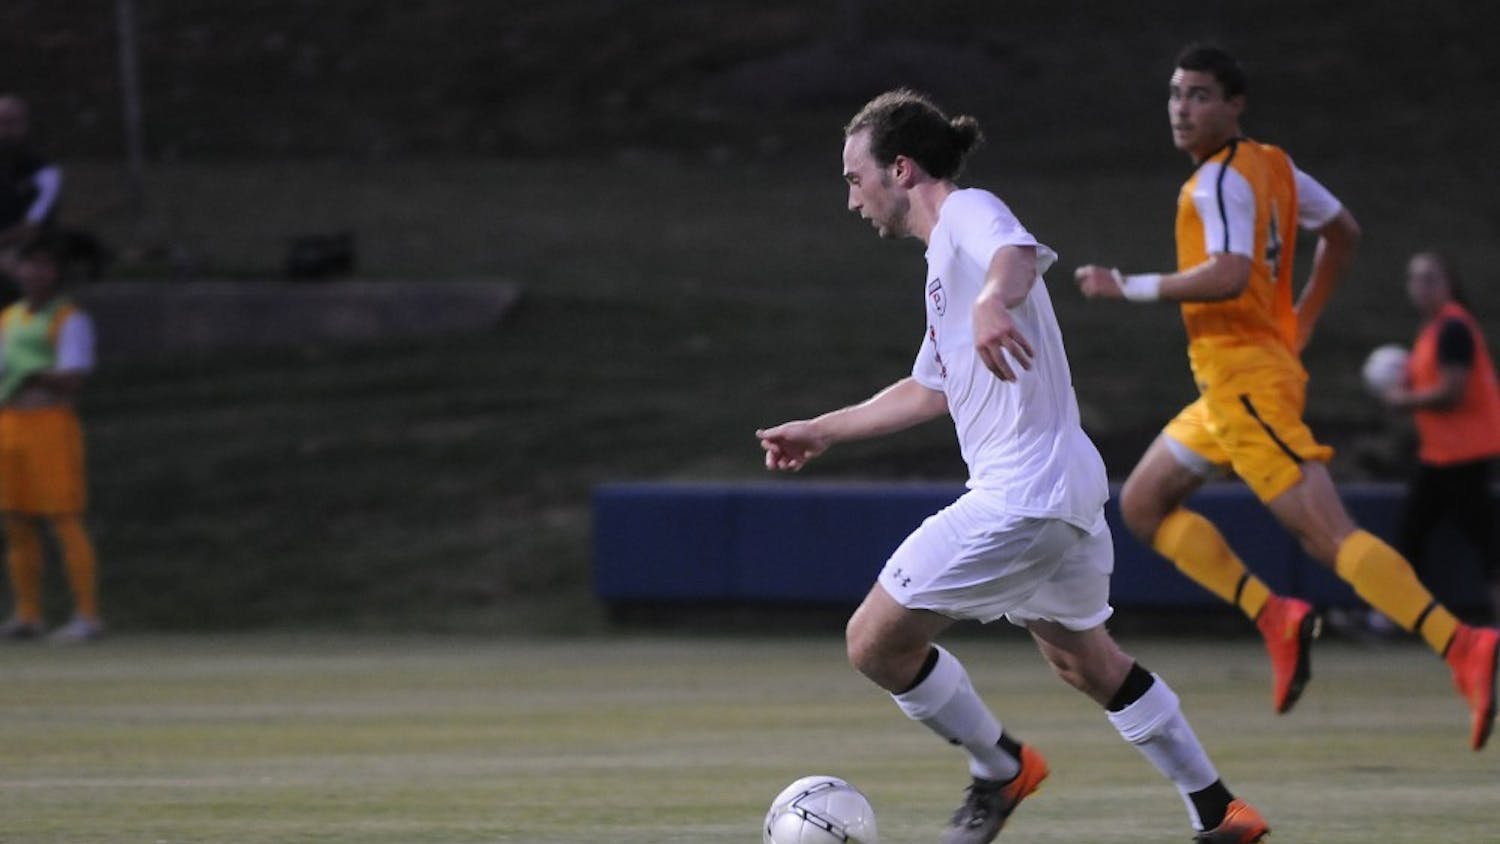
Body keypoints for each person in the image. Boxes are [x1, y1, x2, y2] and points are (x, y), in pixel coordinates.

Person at [758, 89, 1269, 844]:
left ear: (901, 169)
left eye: (854, 178)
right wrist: (823, 430)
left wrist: (994, 301)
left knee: (874, 641)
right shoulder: (943, 265)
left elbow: (1016, 256)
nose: (852, 200)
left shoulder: (966, 214)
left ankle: (1001, 767)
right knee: (1087, 662)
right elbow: (930, 388)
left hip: (1021, 493)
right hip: (1063, 485)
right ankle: (1220, 810)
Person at [1073, 44, 1498, 750]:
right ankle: (1277, 617)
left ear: (1235, 105)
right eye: (1176, 93)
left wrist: (1128, 286)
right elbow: (1343, 233)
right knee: (1144, 504)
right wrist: (1302, 320)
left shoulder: (1215, 181)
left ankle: (1463, 646)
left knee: (1329, 537)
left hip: (1244, 385)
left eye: (1200, 95)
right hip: (1231, 388)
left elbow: (1230, 274)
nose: (1182, 108)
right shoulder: (1273, 166)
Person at [1379, 252, 1500, 624]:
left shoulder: (1453, 328)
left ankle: (1393, 615)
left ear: (1449, 283)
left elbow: (1452, 391)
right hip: (1443, 453)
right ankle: (1394, 614)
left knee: (1480, 539)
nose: (1421, 287)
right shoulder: (1432, 331)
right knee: (1418, 533)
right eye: (1415, 279)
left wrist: (1403, 400)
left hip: (1464, 453)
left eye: (1430, 278)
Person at [0, 234, 103, 643]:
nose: (35, 272)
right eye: (29, 264)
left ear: (57, 272)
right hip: (10, 423)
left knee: (64, 517)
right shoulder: (9, 318)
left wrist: (34, 374)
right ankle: (28, 614)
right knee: (15, 518)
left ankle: (87, 615)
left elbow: (72, 378)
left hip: (50, 424)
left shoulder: (68, 318)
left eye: (44, 265)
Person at [0, 94, 62, 251]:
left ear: (24, 125)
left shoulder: (45, 173)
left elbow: (32, 227)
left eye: (10, 122)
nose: (4, 130)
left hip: (25, 252)